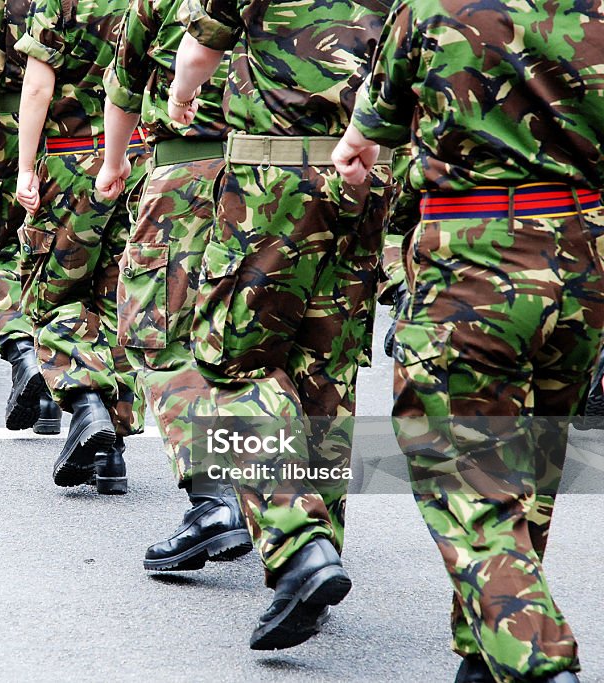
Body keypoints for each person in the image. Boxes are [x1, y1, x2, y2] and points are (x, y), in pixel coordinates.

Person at [333, 1, 604, 681]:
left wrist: (356, 164)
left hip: (474, 254)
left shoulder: (429, 5)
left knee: (463, 470)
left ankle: (536, 661)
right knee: (535, 462)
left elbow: (368, 136)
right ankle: (481, 656)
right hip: (588, 259)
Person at [169, 0, 391, 650]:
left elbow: (201, 48)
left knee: (230, 359)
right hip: (367, 169)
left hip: (274, 172)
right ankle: (316, 569)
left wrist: (184, 97)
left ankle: (299, 545)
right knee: (327, 373)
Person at [94, 0, 250, 566]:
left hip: (185, 175)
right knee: (279, 347)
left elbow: (126, 84)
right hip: (286, 178)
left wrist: (113, 164)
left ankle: (213, 499)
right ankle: (306, 533)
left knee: (158, 330)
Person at [14, 0, 151, 494]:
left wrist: (26, 166)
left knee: (52, 291)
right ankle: (110, 448)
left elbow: (37, 85)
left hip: (70, 157)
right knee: (119, 294)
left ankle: (87, 403)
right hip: (137, 155)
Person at [0, 0, 60, 432]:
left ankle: (23, 354)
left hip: (11, 125)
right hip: (78, 133)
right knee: (60, 264)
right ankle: (61, 394)